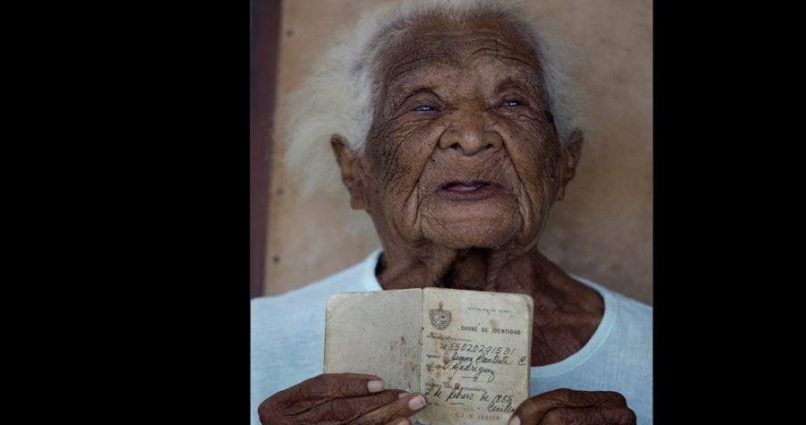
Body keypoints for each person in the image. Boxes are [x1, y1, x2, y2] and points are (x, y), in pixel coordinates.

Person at [251, 1, 652, 424]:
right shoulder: (260, 343)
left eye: (513, 102)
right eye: (424, 106)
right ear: (354, 170)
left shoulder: (645, 351)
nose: (473, 137)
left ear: (564, 162)